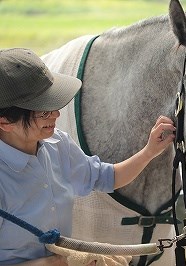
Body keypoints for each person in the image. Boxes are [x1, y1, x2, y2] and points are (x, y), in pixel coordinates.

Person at [0, 48, 176, 265]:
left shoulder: (58, 145)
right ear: (5, 122)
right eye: (43, 111)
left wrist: (149, 151)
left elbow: (107, 177)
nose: (56, 114)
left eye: (54, 105)